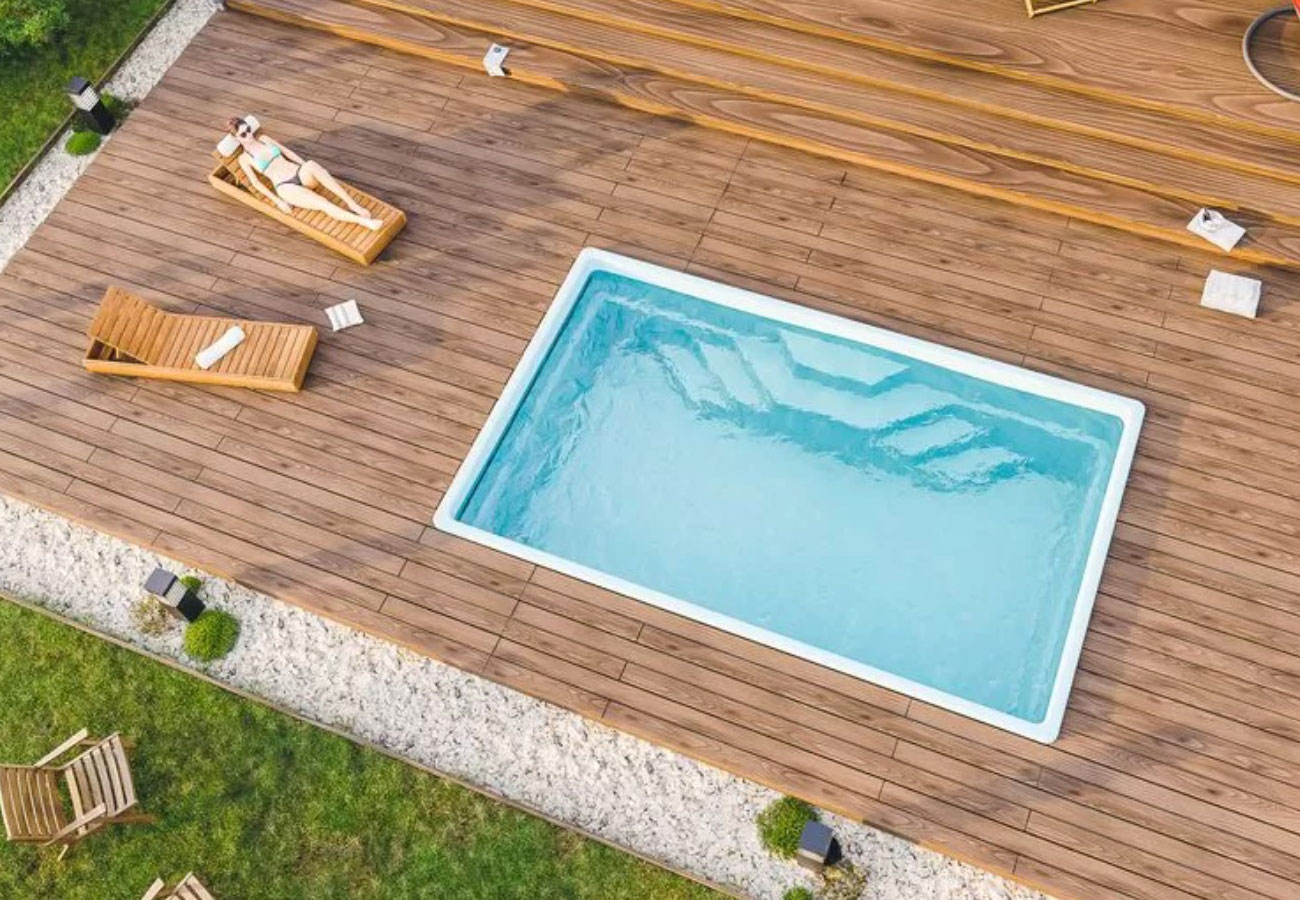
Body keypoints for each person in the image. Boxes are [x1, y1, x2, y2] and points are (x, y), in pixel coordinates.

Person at [227, 117, 382, 230]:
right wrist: (278, 202)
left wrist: (305, 166)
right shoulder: (244, 158)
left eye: (248, 129)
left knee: (311, 164)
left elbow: (288, 152)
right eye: (243, 134)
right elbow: (255, 183)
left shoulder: (264, 139)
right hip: (285, 187)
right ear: (236, 138)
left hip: (298, 173)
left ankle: (353, 204)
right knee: (322, 203)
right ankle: (364, 222)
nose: (249, 135)